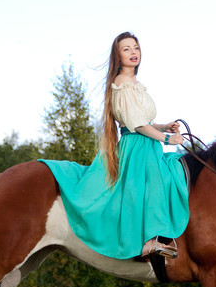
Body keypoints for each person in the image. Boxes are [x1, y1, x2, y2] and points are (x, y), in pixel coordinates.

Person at [39, 32, 189, 261]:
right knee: (156, 179)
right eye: (126, 49)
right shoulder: (121, 83)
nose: (133, 52)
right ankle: (149, 240)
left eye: (136, 48)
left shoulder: (136, 84)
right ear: (117, 56)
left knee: (163, 175)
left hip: (146, 143)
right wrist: (167, 139)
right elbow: (136, 124)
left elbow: (141, 120)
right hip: (138, 146)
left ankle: (157, 235)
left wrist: (164, 126)